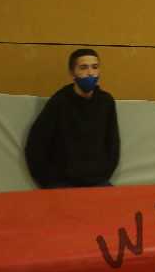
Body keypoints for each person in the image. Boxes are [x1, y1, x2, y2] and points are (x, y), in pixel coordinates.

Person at [25, 48, 121, 188]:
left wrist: (103, 174)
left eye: (94, 67)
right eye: (83, 68)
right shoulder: (59, 102)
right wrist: (48, 181)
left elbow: (113, 143)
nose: (90, 73)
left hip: (97, 181)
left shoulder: (106, 102)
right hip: (62, 183)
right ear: (72, 73)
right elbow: (36, 145)